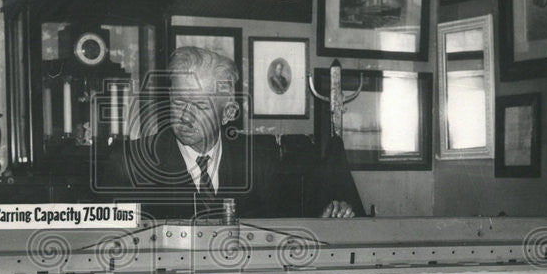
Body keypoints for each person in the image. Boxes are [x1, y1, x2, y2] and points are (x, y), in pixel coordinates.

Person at [107, 46, 362, 220]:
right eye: (177, 101)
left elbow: (288, 223)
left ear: (228, 113)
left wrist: (328, 214)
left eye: (200, 106)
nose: (184, 116)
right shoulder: (129, 162)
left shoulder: (260, 160)